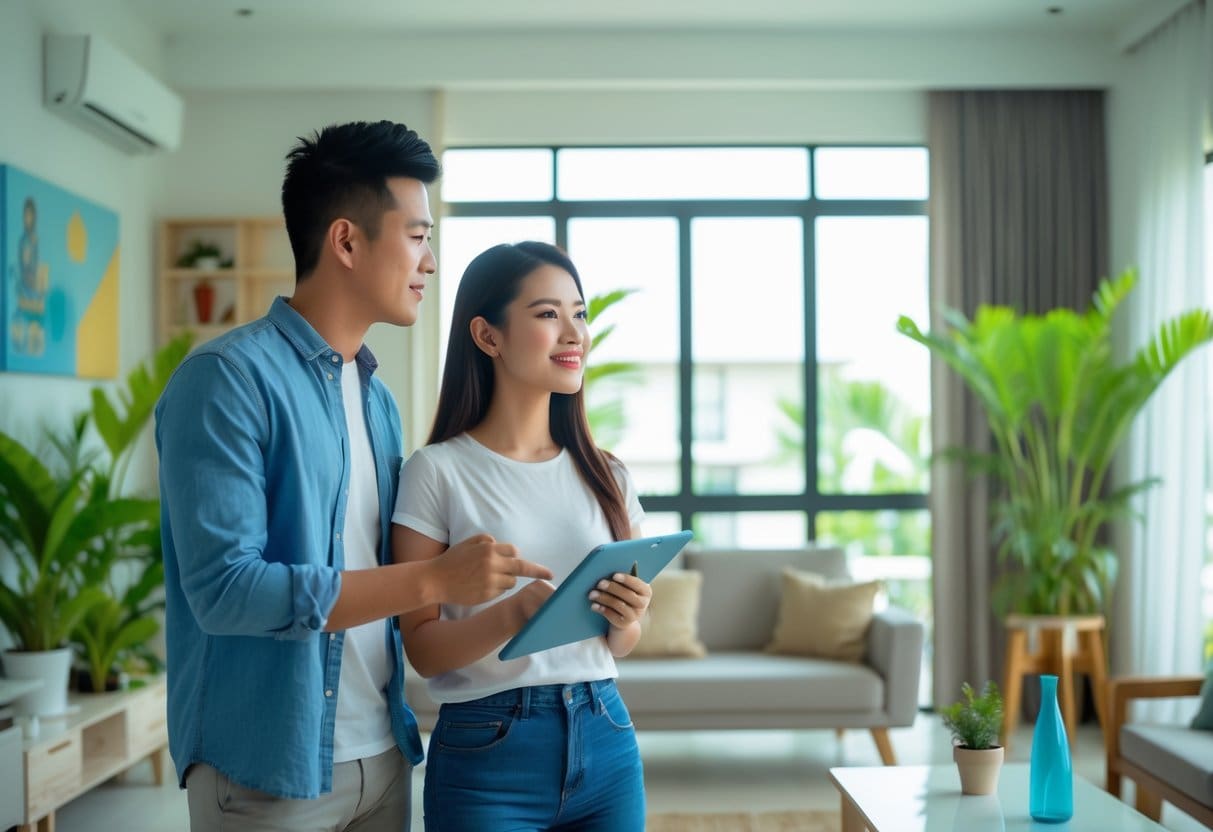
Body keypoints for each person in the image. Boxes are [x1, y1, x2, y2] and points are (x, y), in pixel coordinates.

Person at [154, 121, 552, 832]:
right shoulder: (225, 380)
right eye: (418, 235)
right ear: (345, 241)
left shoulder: (375, 398)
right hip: (267, 772)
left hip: (383, 755)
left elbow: (378, 567)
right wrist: (433, 582)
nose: (431, 261)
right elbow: (225, 590)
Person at [392, 241, 652, 831]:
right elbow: (424, 650)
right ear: (488, 337)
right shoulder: (436, 472)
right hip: (488, 750)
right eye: (547, 314)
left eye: (579, 313)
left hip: (606, 731)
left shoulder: (608, 475)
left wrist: (628, 617)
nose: (573, 333)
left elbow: (621, 644)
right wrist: (513, 617)